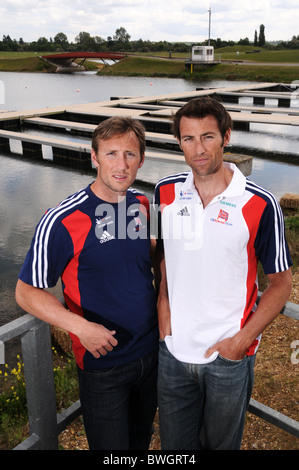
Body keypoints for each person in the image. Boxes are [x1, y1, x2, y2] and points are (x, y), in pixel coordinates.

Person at [153, 96, 293, 450]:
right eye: (188, 139)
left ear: (226, 136)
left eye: (208, 137)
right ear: (179, 142)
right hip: (173, 351)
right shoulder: (164, 191)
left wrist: (241, 341)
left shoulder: (260, 203)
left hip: (227, 357)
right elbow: (162, 253)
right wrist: (163, 301)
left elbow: (281, 283)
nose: (198, 149)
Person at [15, 116, 159, 450]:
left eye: (130, 155)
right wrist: (80, 327)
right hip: (103, 364)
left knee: (140, 441)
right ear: (93, 157)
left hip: (150, 354)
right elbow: (26, 292)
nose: (121, 165)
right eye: (111, 154)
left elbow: (150, 256)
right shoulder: (62, 219)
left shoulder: (142, 204)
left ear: (141, 159)